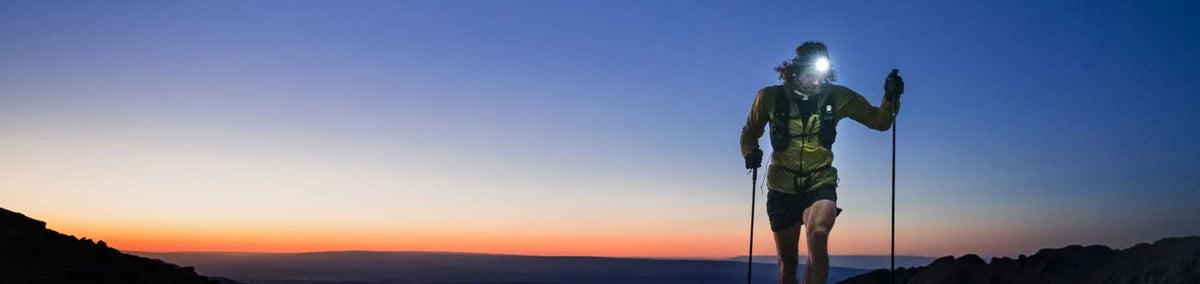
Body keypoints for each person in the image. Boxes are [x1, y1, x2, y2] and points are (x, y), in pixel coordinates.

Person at [740, 41, 904, 284]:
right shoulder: (769, 98)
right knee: (787, 265)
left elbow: (880, 121)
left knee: (817, 234)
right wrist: (749, 151)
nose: (815, 79)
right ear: (793, 70)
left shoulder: (838, 96)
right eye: (809, 71)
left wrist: (890, 98)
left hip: (821, 180)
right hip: (781, 186)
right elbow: (750, 132)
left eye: (820, 73)